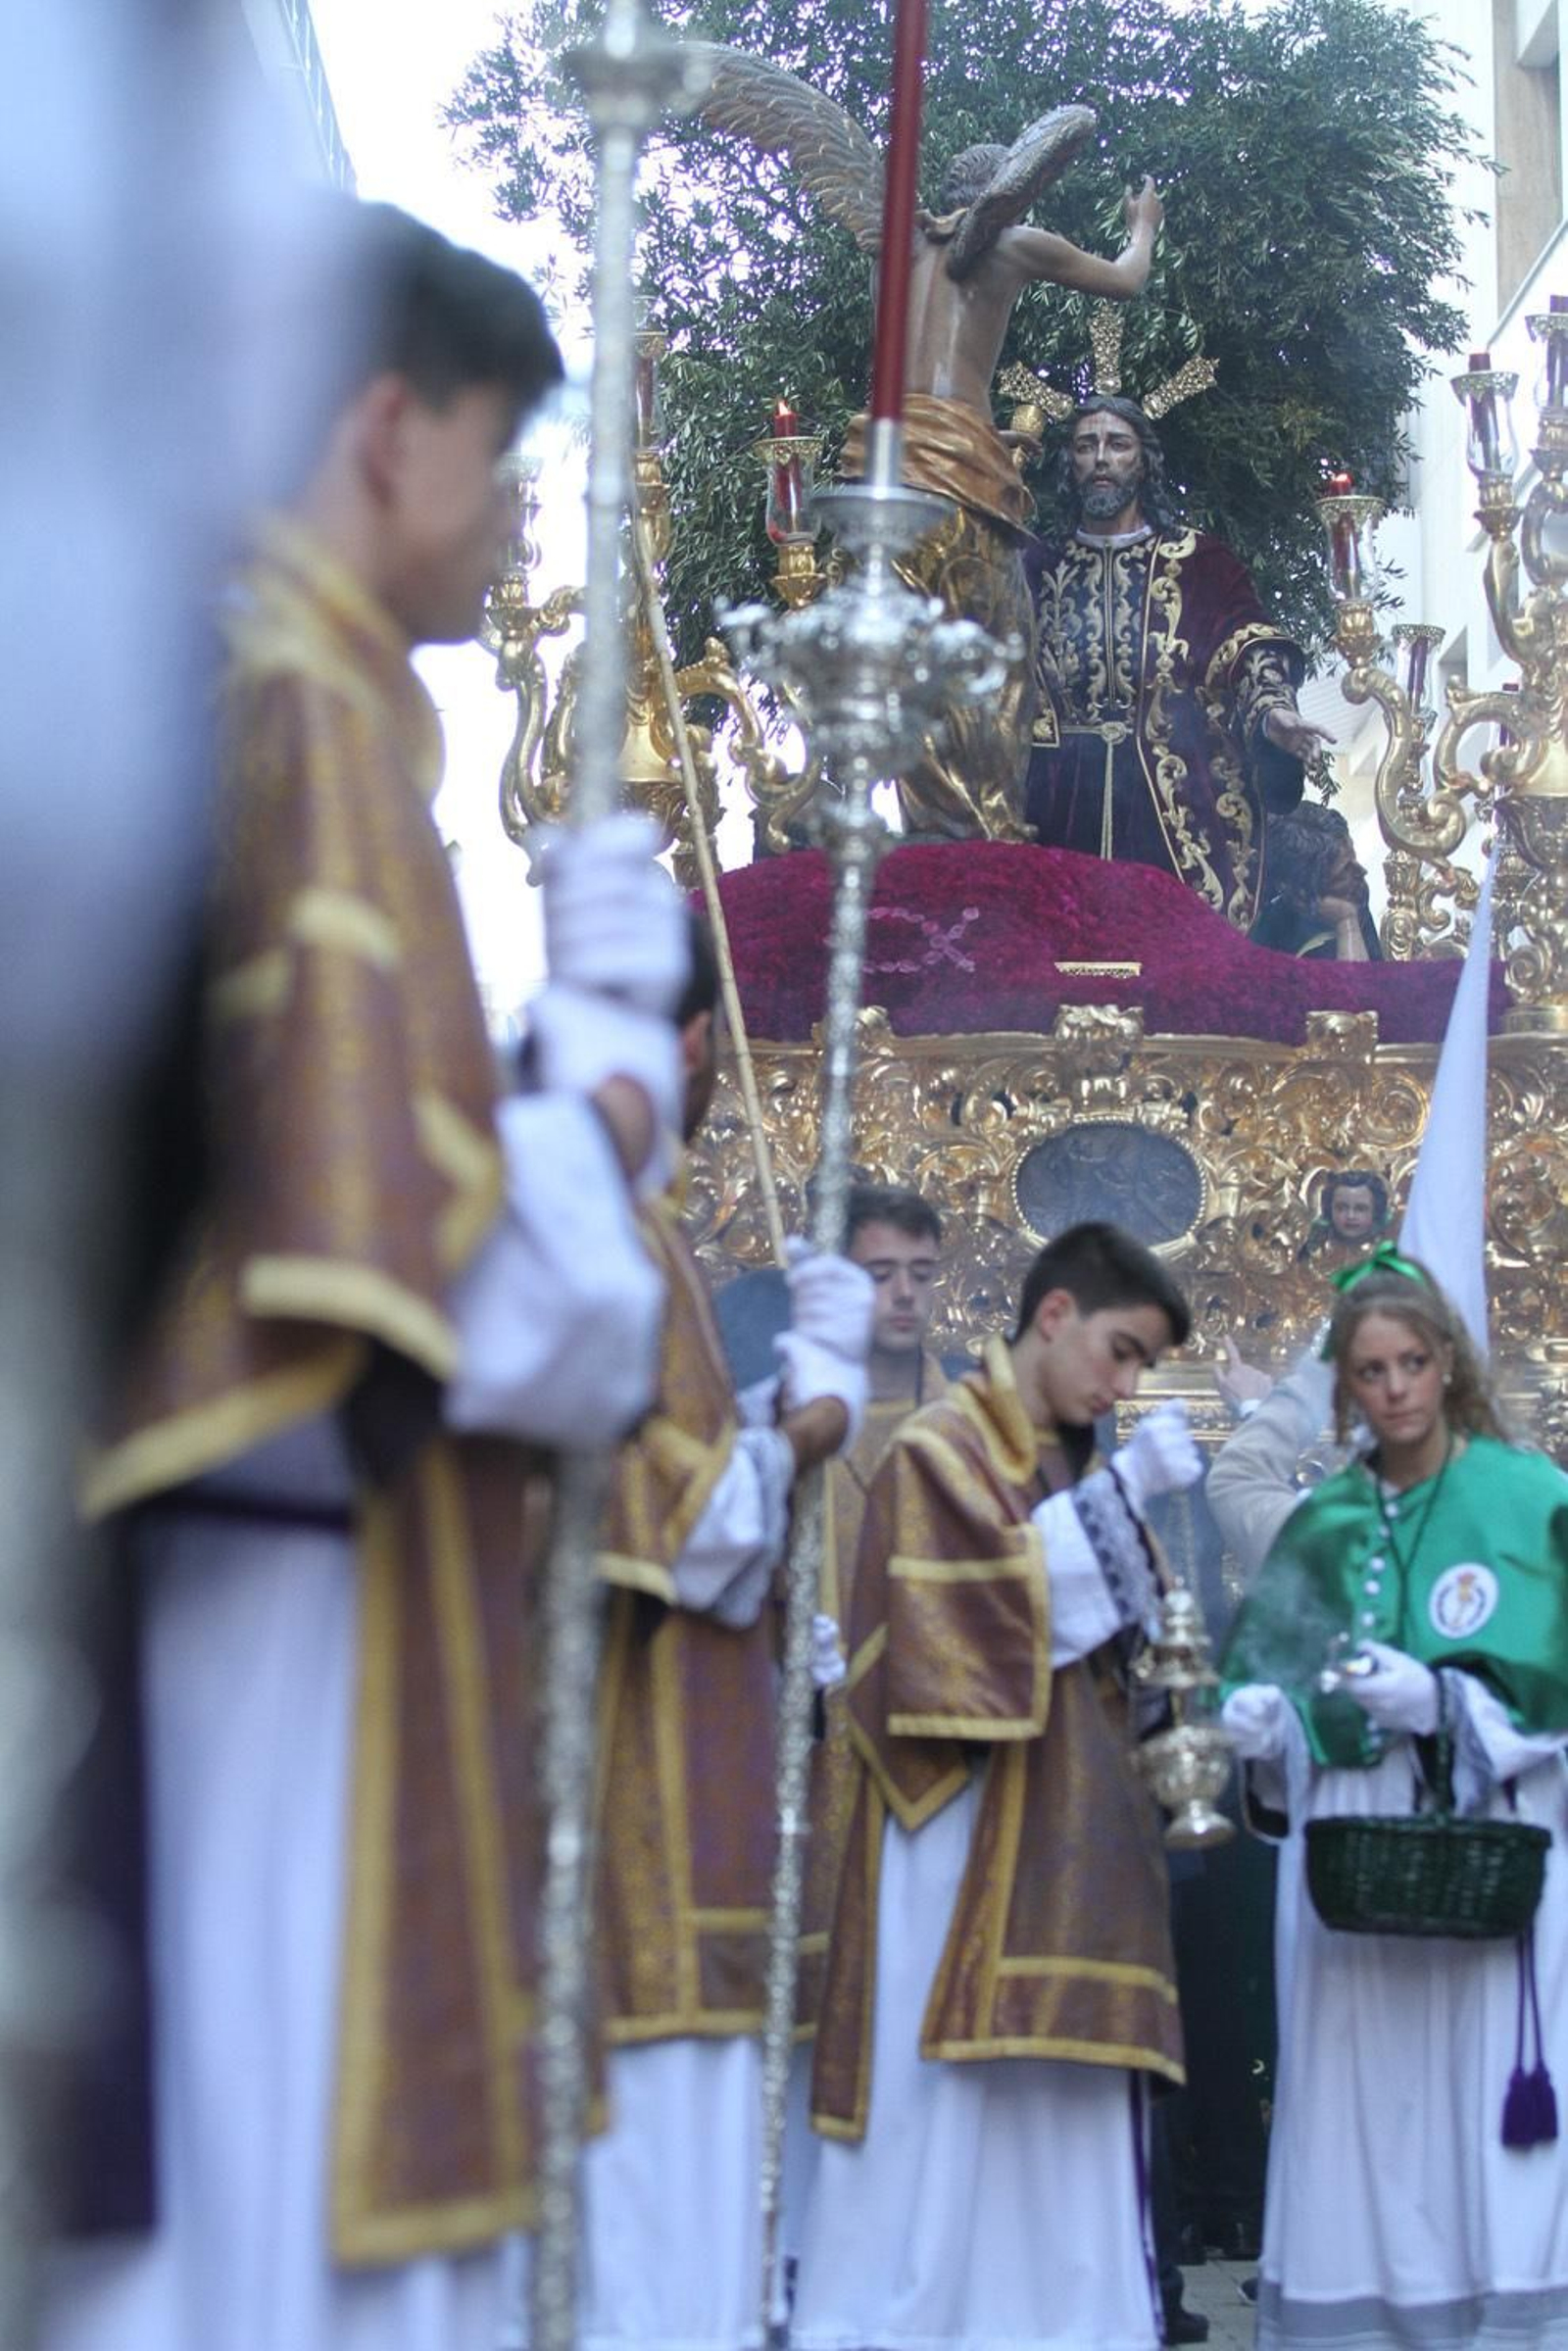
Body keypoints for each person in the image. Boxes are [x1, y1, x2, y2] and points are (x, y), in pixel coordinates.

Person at [42, 203, 688, 2351]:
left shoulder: (182, 675)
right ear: (385, 422)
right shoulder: (297, 707)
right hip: (282, 1633)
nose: (514, 531)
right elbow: (479, 1308)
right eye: (506, 464)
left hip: (233, 1598)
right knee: (262, 2220)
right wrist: (603, 1090)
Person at [792, 1222, 1203, 2351]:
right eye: (1120, 1351)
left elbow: (1128, 1640)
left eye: (1141, 1367)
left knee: (1056, 2135)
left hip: (1073, 1848)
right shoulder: (940, 1448)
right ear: (1056, 1313)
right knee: (946, 2132)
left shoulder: (1059, 1461)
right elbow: (957, 1639)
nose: (1125, 1382)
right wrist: (1120, 1503)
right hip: (958, 1846)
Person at [582, 915, 873, 2351]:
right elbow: (681, 1530)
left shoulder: (652, 1235)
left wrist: (774, 1416)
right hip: (645, 1786)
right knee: (657, 2190)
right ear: (696, 1037)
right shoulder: (623, 1234)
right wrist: (814, 1415)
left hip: (680, 1767)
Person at [1220, 1253, 1568, 2350]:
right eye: (1370, 1369)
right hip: (1348, 1849)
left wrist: (1453, 1701)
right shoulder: (1322, 1520)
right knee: (1359, 2095)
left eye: (1413, 1361)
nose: (1395, 1388)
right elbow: (1267, 1678)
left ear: (1448, 1366)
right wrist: (1265, 1735)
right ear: (1345, 1387)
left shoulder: (1531, 1500)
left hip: (1492, 1840)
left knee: (1472, 2105)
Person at [843, 166, 1164, 841]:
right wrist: (1145, 226)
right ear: (1007, 189)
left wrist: (984, 437)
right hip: (957, 479)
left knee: (909, 659)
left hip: (885, 475)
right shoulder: (1012, 243)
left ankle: (927, 826)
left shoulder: (890, 256)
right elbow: (1128, 278)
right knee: (1002, 654)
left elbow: (917, 381)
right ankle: (984, 832)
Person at [1025, 397, 1332, 927]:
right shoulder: (1032, 564)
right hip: (1055, 796)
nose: (1101, 459)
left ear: (1143, 462)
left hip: (1174, 800)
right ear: (1068, 463)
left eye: (1117, 445)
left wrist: (1271, 711)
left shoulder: (1199, 563)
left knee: (1177, 962)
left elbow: (1248, 641)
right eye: (1084, 446)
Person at [1251, 801, 1383, 961]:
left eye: (1353, 858)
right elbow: (1354, 985)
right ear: (1301, 893)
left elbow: (1377, 981)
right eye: (1343, 872)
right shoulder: (1269, 936)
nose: (1362, 872)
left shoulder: (1354, 895)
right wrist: (1346, 923)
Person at [1298, 1168, 1391, 1262]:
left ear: (1376, 1211)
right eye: (1341, 1208)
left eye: (1360, 1209)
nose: (1350, 1216)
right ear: (1329, 1210)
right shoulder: (1313, 1251)